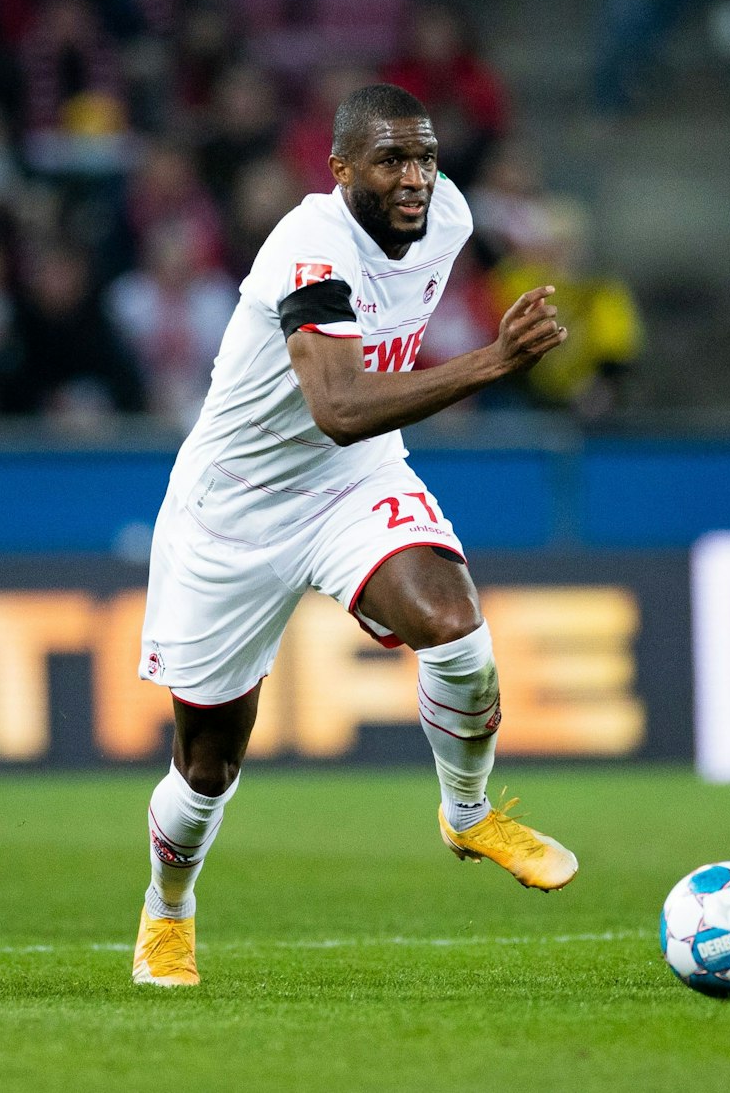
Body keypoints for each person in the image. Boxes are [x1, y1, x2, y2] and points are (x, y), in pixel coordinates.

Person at [130, 84, 578, 988]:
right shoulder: (308, 246)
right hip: (235, 506)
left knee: (454, 625)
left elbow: (350, 433)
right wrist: (494, 360)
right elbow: (335, 406)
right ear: (339, 172)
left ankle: (468, 811)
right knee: (206, 768)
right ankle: (166, 913)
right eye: (390, 161)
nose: (414, 178)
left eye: (424, 157)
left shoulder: (446, 216)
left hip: (350, 481)